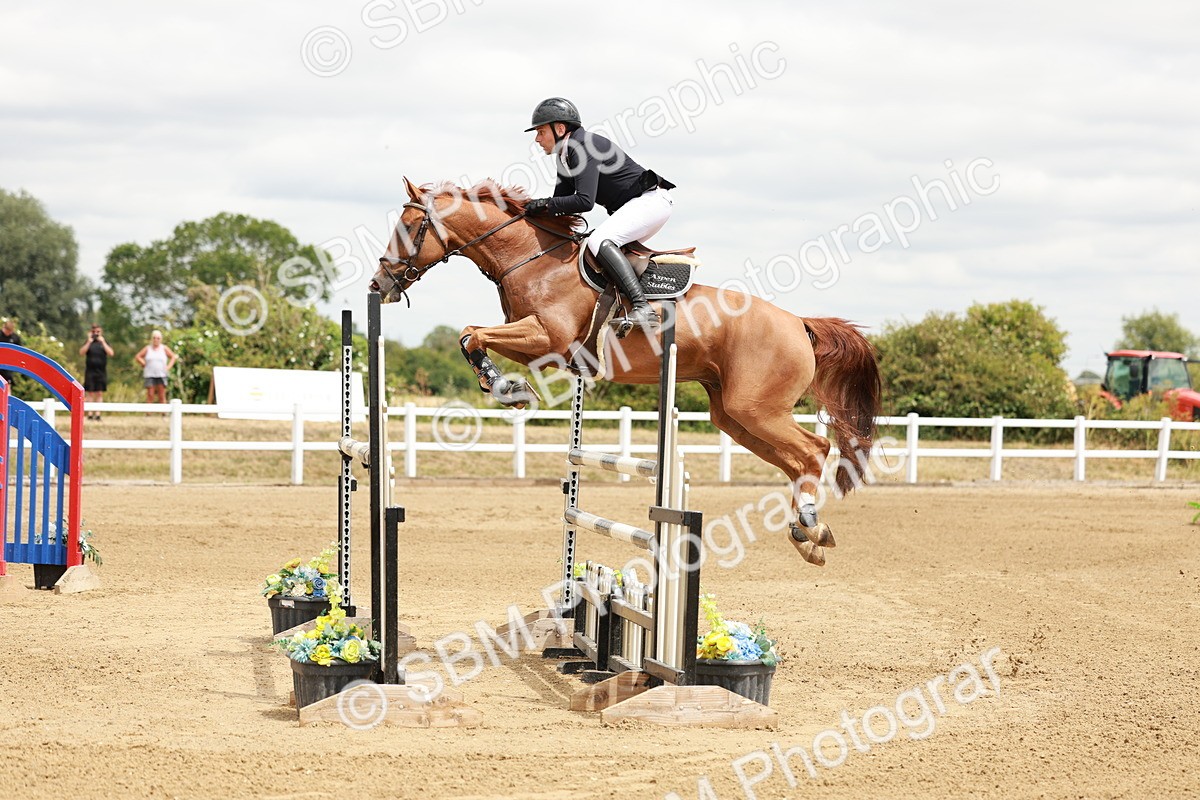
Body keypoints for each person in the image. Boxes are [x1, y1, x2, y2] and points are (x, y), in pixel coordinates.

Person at [523, 97, 676, 338]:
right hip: (639, 206)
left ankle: (642, 308)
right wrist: (531, 211)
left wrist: (544, 204)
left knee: (598, 241)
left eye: (541, 131)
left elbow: (584, 201)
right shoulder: (565, 155)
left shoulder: (582, 147)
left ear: (560, 129)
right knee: (591, 244)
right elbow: (561, 204)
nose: (537, 139)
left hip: (650, 203)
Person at [79, 324, 115, 420]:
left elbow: (111, 353)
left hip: (101, 371)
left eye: (98, 332)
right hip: (90, 371)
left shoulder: (104, 342)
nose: (96, 334)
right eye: (94, 332)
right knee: (89, 393)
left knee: (99, 393)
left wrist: (103, 342)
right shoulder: (89, 342)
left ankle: (98, 414)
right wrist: (89, 341)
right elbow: (81, 353)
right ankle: (90, 414)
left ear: (101, 332)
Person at [135, 330, 177, 404]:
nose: (156, 340)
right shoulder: (148, 348)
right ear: (152, 339)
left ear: (161, 339)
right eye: (154, 338)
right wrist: (143, 363)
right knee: (150, 394)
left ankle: (163, 413)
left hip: (161, 374)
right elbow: (138, 356)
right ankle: (149, 413)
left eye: (158, 338)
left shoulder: (164, 348)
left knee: (161, 394)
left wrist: (168, 367)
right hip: (150, 374)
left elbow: (173, 357)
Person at [0, 318, 22, 386]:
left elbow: (19, 350)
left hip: (8, 363)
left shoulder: (15, 338)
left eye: (10, 331)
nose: (8, 333)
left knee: (7, 380)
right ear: (4, 327)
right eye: (7, 330)